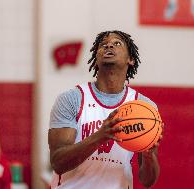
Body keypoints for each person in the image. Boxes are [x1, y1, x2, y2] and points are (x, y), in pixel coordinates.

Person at [48, 30, 163, 189]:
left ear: (131, 59)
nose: (109, 45)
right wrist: (100, 136)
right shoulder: (72, 99)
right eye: (103, 45)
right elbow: (58, 163)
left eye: (117, 43)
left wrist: (149, 155)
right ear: (95, 60)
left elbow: (147, 181)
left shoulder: (144, 106)